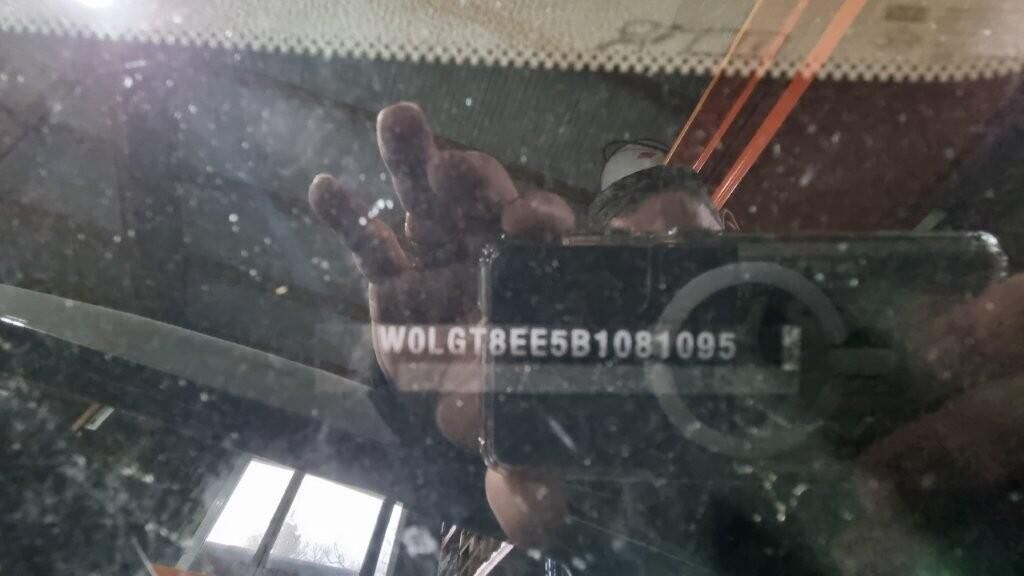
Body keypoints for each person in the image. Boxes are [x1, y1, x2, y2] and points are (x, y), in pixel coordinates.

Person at [309, 102, 1024, 574]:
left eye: (691, 257)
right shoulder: (588, 418)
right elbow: (526, 502)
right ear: (599, 284)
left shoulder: (851, 331)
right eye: (640, 273)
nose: (678, 298)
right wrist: (450, 410)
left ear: (733, 237)